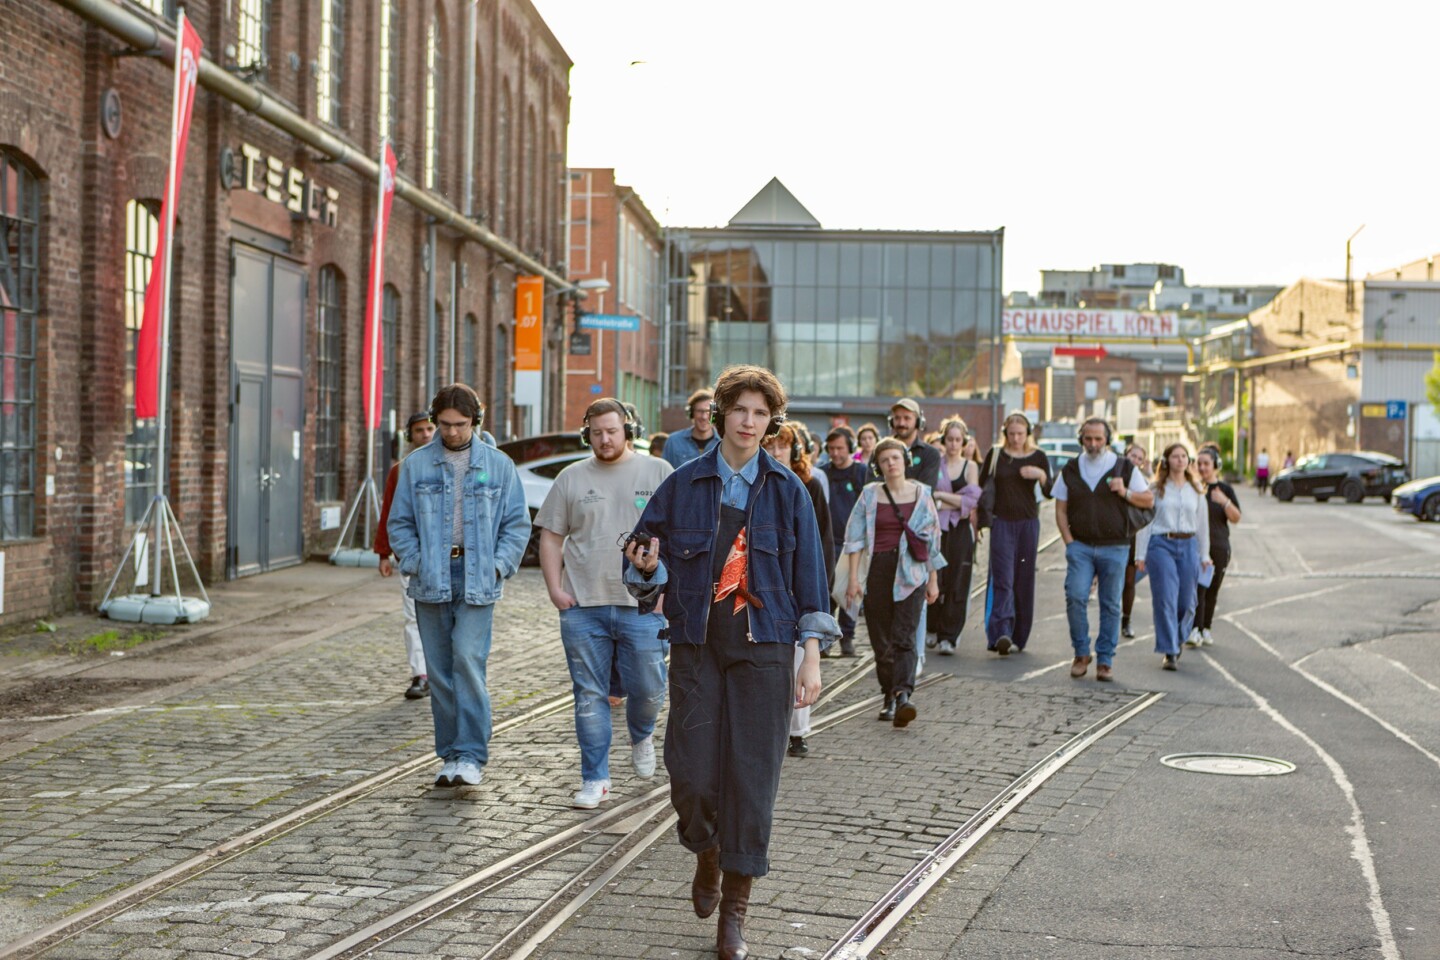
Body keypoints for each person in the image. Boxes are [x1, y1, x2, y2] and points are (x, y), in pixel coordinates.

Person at [622, 364, 838, 960]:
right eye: (739, 410)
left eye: (761, 413)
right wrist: (646, 571)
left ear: (773, 422)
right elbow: (643, 566)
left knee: (752, 780)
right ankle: (708, 853)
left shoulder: (789, 490)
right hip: (696, 645)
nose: (749, 422)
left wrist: (811, 659)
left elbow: (811, 582)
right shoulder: (682, 484)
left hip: (766, 650)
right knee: (689, 773)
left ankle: (735, 912)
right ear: (720, 414)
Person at [387, 384, 530, 787]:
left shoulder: (499, 465)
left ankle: (471, 754)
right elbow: (399, 523)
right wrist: (414, 562)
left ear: (476, 421)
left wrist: (498, 566)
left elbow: (517, 524)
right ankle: (449, 754)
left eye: (460, 425)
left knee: (466, 660)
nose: (452, 433)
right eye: (445, 425)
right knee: (440, 671)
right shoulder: (415, 466)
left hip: (478, 577)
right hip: (431, 578)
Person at [536, 398, 674, 808]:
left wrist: (669, 594)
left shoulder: (659, 471)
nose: (604, 439)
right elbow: (551, 536)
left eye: (612, 431)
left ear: (627, 430)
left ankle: (642, 733)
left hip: (645, 607)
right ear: (587, 433)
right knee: (588, 695)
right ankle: (595, 778)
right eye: (596, 433)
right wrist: (554, 589)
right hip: (584, 606)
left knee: (649, 689)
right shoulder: (571, 477)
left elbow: (681, 536)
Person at [843, 438, 943, 725]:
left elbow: (932, 540)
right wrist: (853, 580)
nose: (891, 464)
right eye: (885, 460)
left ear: (905, 461)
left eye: (896, 458)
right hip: (879, 569)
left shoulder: (922, 494)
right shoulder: (870, 495)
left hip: (912, 572)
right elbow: (854, 539)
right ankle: (888, 693)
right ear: (878, 466)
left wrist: (933, 579)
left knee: (904, 636)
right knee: (881, 639)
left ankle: (903, 696)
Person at [1053, 419, 1154, 682]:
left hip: (1116, 546)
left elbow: (1148, 499)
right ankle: (1081, 653)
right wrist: (1070, 543)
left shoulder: (1124, 466)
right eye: (1088, 439)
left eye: (1098, 439)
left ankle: (1105, 660)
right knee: (1075, 596)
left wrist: (1125, 492)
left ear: (1107, 440)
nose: (1093, 444)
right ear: (1081, 440)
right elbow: (1060, 509)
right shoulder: (1071, 469)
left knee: (1110, 603)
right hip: (1081, 547)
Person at [762, 423, 833, 759]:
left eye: (783, 446)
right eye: (772, 446)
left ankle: (798, 730)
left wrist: (822, 588)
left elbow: (822, 543)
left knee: (803, 657)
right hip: (768, 590)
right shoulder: (759, 483)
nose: (777, 453)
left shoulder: (809, 486)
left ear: (795, 450)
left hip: (799, 585)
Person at [375, 412, 437, 700]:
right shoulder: (400, 471)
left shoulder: (450, 465)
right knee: (413, 616)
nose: (425, 434)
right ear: (409, 436)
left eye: (429, 428)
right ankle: (420, 673)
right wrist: (384, 553)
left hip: (447, 554)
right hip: (412, 555)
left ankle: (443, 671)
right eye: (419, 430)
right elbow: (390, 512)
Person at [1136, 444, 1212, 671]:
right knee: (1165, 598)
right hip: (1161, 545)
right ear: (1166, 460)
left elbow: (1202, 525)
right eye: (1175, 456)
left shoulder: (1196, 489)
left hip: (1189, 545)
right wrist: (1140, 555)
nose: (1180, 460)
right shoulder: (1155, 488)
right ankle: (1169, 651)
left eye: (1184, 456)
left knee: (1188, 602)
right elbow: (1145, 524)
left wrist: (1204, 554)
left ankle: (1176, 639)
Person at [979, 413, 1050, 655]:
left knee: (1023, 578)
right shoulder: (996, 455)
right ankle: (1001, 633)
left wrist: (1040, 475)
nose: (1016, 438)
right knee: (1003, 578)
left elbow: (1050, 491)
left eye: (1020, 434)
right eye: (1011, 434)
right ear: (1005, 433)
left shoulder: (1039, 456)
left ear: (1028, 433)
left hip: (1028, 523)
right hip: (1002, 523)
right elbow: (982, 486)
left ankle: (1020, 634)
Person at [928, 417, 983, 656]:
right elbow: (930, 497)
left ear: (964, 442)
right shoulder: (935, 464)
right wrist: (953, 500)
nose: (953, 444)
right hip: (938, 529)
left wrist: (942, 497)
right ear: (943, 440)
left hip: (960, 529)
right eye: (949, 439)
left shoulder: (970, 466)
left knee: (957, 579)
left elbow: (972, 500)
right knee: (935, 577)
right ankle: (933, 628)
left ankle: (949, 635)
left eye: (958, 440)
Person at [819, 426, 870, 656]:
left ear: (849, 447)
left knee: (850, 590)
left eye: (840, 448)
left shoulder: (862, 472)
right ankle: (827, 637)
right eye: (831, 449)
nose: (835, 453)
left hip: (853, 542)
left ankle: (847, 637)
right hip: (830, 540)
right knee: (828, 590)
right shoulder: (823, 473)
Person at [1189, 448, 1240, 648]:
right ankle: (1194, 628)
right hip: (1195, 546)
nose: (1202, 467)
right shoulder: (1192, 488)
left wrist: (1224, 502)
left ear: (1215, 466)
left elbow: (1236, 518)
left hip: (1218, 546)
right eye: (1198, 463)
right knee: (1197, 589)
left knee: (1211, 590)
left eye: (1206, 464)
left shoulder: (1224, 490)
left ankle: (1205, 629)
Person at [1120, 442, 1153, 639]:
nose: (1135, 460)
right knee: (1112, 578)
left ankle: (1126, 620)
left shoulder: (1142, 482)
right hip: (1114, 533)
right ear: (1126, 454)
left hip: (1132, 534)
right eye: (1133, 456)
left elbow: (1147, 510)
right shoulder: (1114, 472)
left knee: (1129, 581)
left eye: (1140, 459)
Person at [664, 387, 720, 468]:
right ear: (691, 413)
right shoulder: (673, 441)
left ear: (715, 414)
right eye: (700, 411)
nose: (704, 417)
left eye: (708, 411)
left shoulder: (724, 444)